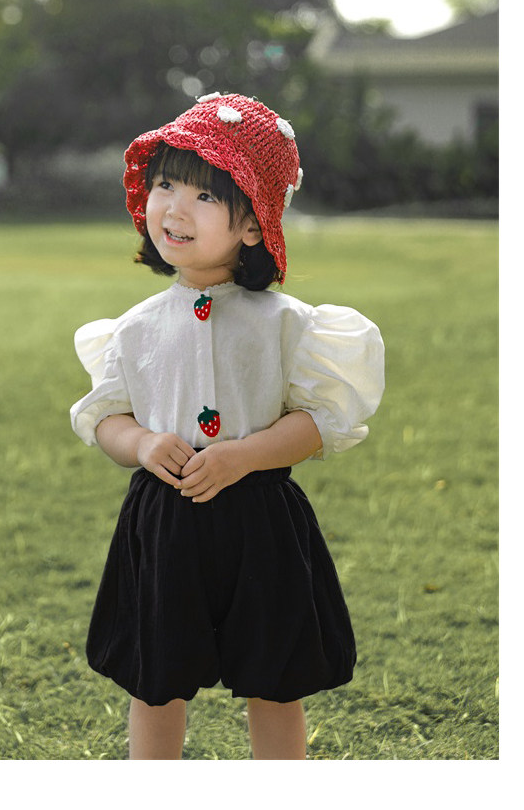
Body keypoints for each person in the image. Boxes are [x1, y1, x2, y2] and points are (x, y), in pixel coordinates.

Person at [70, 92, 385, 760]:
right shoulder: (133, 329)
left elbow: (319, 423)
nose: (175, 208)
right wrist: (142, 443)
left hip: (260, 523)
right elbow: (105, 418)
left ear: (252, 224)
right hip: (165, 522)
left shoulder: (289, 325)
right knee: (156, 683)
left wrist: (245, 456)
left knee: (275, 680)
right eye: (165, 185)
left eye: (206, 195)